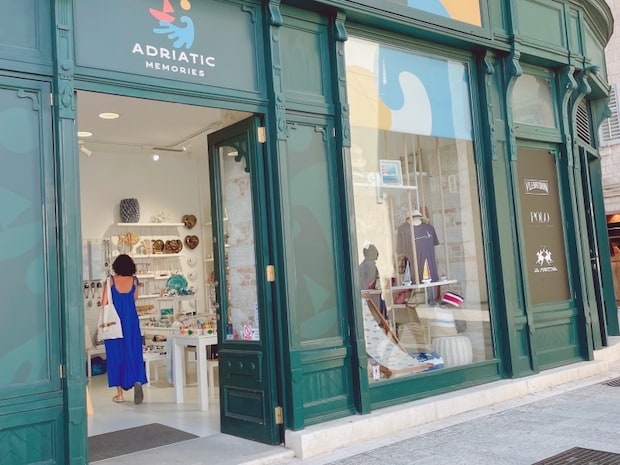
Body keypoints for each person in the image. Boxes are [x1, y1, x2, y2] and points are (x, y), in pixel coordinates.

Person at [101, 254, 147, 404]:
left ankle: (120, 395)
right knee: (133, 351)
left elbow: (104, 302)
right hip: (131, 322)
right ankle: (137, 379)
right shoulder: (134, 280)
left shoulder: (110, 281)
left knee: (116, 355)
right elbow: (134, 298)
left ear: (116, 266)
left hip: (114, 323)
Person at [359, 242, 387, 318]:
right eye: (375, 251)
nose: (377, 253)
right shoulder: (370, 265)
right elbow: (372, 283)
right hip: (372, 298)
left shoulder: (361, 266)